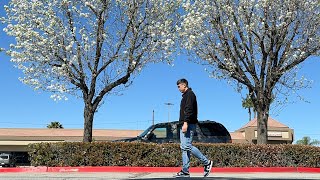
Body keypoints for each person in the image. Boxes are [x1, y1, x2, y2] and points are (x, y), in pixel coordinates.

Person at [175, 78, 213, 178]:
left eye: (179, 86)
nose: (178, 88)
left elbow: (189, 110)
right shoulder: (186, 96)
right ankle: (185, 171)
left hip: (188, 124)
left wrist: (186, 123)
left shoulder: (190, 94)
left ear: (184, 85)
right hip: (185, 123)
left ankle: (207, 162)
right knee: (184, 148)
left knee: (187, 146)